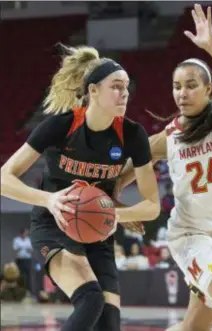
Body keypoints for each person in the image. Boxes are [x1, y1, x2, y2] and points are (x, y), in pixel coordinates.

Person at [116, 4, 212, 331]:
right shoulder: (168, 138)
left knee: (194, 327)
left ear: (208, 89)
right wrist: (121, 204)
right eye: (177, 86)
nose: (182, 92)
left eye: (191, 85)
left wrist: (211, 47)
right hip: (191, 236)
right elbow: (125, 171)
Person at [1, 44, 160, 331]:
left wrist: (113, 215)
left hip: (98, 229)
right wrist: (48, 199)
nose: (124, 92)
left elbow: (152, 206)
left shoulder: (133, 134)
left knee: (109, 324)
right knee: (91, 301)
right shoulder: (61, 126)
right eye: (116, 86)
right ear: (93, 91)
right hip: (54, 223)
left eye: (126, 86)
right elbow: (4, 178)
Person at [12, 228, 33, 292]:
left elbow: (31, 250)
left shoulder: (28, 240)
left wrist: (26, 248)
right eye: (25, 233)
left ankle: (28, 291)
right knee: (19, 275)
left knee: (28, 275)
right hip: (20, 259)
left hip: (27, 259)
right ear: (22, 233)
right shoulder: (16, 240)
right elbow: (15, 249)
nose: (26, 234)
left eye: (27, 233)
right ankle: (19, 290)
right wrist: (22, 248)